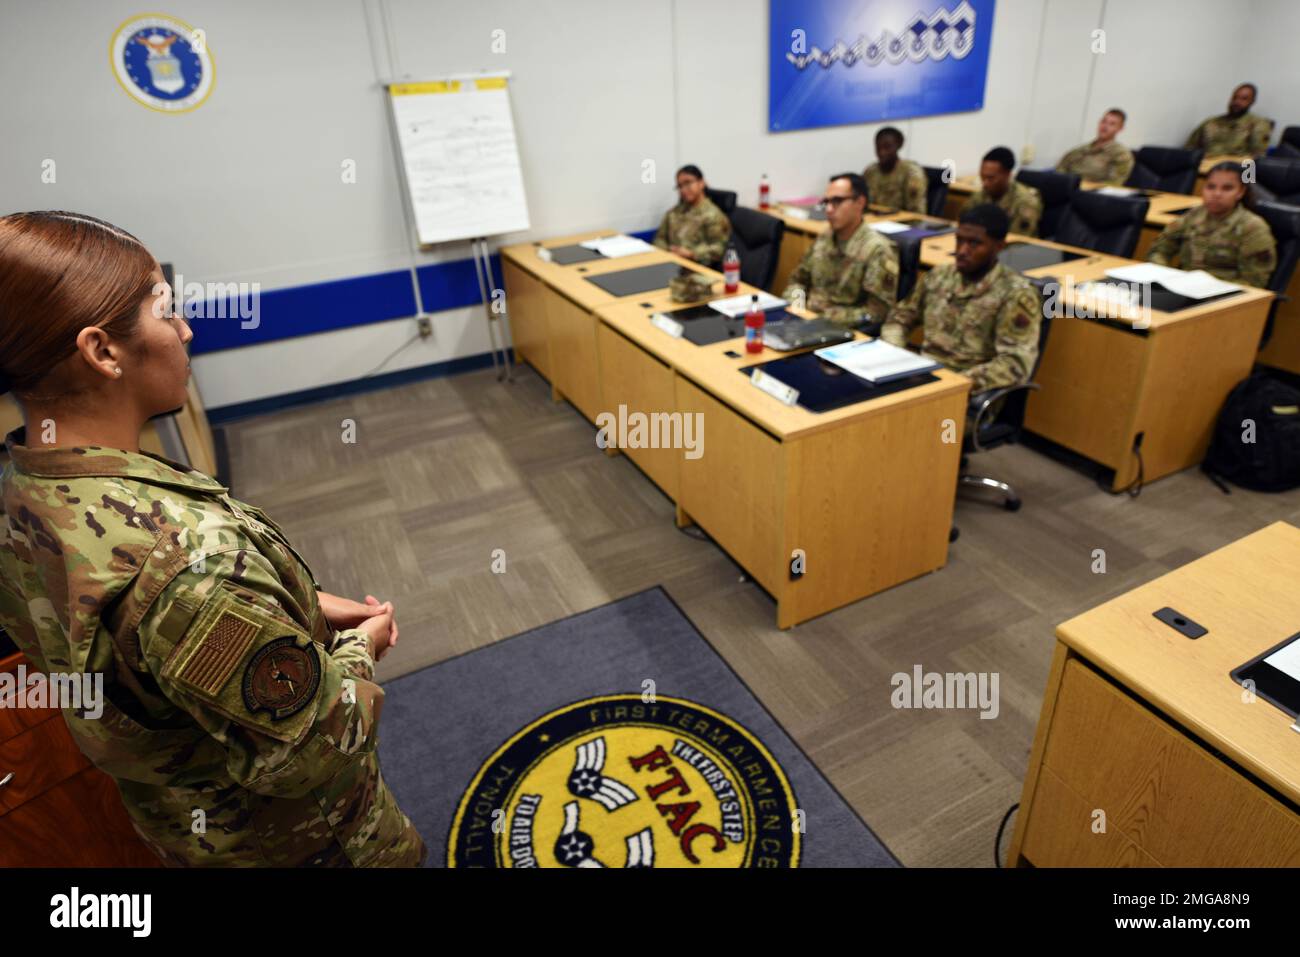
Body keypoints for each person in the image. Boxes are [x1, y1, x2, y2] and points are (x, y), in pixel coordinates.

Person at [0, 211, 425, 867]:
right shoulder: (189, 561)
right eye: (165, 311)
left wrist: (300, 605)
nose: (186, 329)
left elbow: (147, 646)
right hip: (301, 841)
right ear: (102, 350)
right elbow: (308, 749)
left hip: (183, 827)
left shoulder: (21, 484)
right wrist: (361, 649)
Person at [881, 204, 1041, 395]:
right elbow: (900, 318)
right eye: (959, 240)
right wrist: (894, 355)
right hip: (922, 377)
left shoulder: (1014, 294)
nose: (962, 250)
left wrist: (953, 384)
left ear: (999, 247)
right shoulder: (939, 276)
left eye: (974, 243)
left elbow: (1015, 365)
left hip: (968, 393)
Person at [782, 173, 899, 331]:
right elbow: (798, 280)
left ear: (860, 202)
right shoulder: (825, 238)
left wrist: (827, 316)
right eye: (827, 202)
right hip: (805, 321)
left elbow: (877, 313)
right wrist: (797, 307)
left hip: (842, 331)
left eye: (837, 201)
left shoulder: (877, 250)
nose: (829, 209)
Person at [1147, 161, 1277, 288]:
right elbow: (1159, 250)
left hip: (1224, 297)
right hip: (1184, 287)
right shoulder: (1193, 216)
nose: (1216, 194)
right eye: (1211, 187)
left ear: (1241, 192)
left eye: (1227, 188)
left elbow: (1254, 283)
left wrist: (1212, 289)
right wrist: (1164, 277)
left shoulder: (1253, 227)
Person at [651, 164, 731, 269]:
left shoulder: (713, 215)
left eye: (688, 183)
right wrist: (668, 251)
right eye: (680, 186)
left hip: (697, 269)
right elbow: (659, 239)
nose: (683, 190)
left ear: (702, 183)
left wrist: (692, 253)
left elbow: (719, 249)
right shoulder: (674, 212)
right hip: (671, 264)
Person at [963, 147, 1042, 237]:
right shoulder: (980, 195)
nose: (985, 183)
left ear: (1008, 174)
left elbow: (1018, 239)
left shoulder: (1026, 202)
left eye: (990, 178)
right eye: (983, 177)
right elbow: (964, 224)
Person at [1185, 83, 1273, 157]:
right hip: (1203, 167)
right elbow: (1189, 149)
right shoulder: (1211, 122)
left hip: (1234, 171)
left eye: (1244, 99)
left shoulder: (1259, 125)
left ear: (1252, 102)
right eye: (1235, 97)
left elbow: (1257, 158)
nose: (1237, 102)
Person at [1056, 109, 1135, 185]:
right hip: (1065, 188)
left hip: (1090, 194)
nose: (1105, 126)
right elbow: (1060, 169)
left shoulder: (1121, 155)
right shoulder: (1081, 150)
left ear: (1120, 128)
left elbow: (1113, 184)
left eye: (1112, 124)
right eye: (1103, 121)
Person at [863, 127, 929, 213]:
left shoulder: (911, 173)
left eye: (887, 147)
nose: (882, 152)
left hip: (902, 222)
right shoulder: (870, 171)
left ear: (899, 146)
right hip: (875, 220)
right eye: (878, 147)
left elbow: (916, 213)